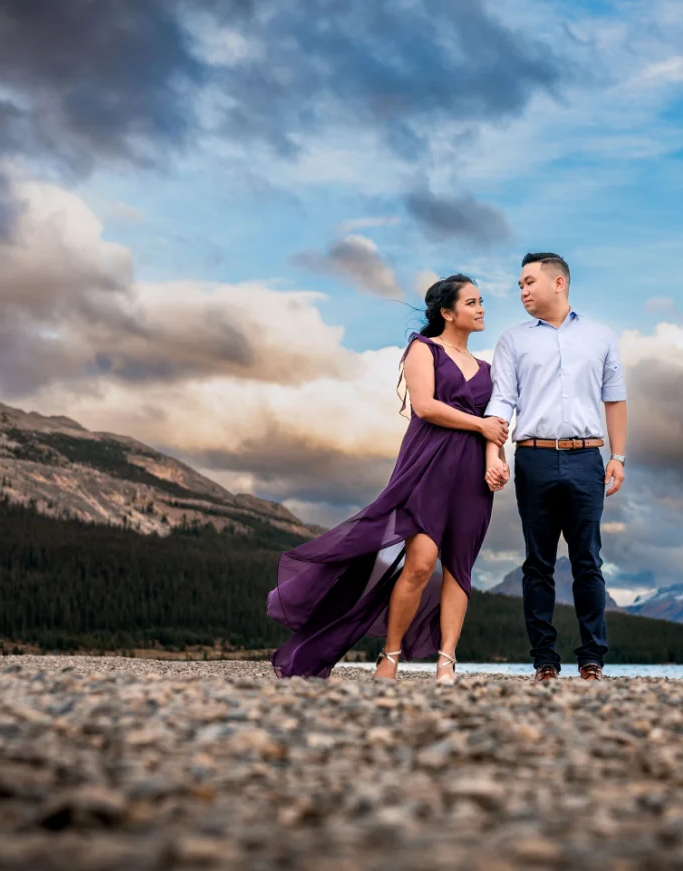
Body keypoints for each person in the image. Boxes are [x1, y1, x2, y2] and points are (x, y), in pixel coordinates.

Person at [267, 275, 509, 683]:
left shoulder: (488, 370)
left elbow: (497, 423)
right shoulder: (423, 348)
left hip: (471, 477)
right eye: (472, 302)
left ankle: (447, 662)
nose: (481, 308)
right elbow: (426, 406)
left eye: (481, 301)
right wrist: (481, 427)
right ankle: (390, 656)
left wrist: (496, 461)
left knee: (459, 569)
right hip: (427, 469)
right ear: (447, 313)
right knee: (419, 564)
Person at [484, 252, 628, 682]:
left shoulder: (601, 337)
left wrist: (618, 457)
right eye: (520, 285)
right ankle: (544, 661)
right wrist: (494, 452)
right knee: (537, 564)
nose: (522, 291)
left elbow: (615, 398)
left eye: (529, 282)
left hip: (588, 458)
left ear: (558, 283)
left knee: (588, 561)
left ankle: (592, 661)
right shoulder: (513, 340)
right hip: (533, 457)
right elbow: (502, 400)